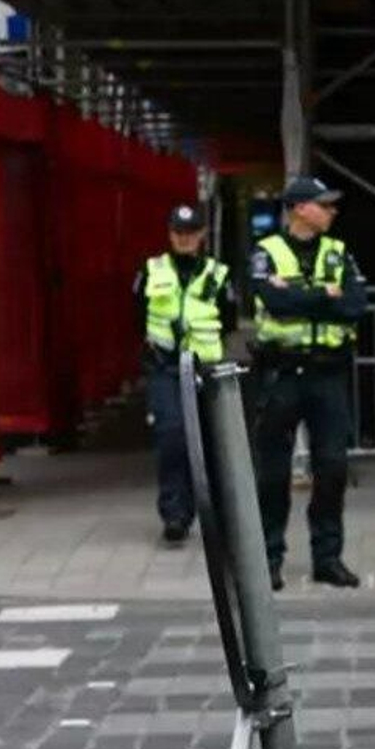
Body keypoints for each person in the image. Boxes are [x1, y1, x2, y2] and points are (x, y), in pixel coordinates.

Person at [247, 177, 367, 590]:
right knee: (272, 474)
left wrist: (301, 295)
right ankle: (269, 558)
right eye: (323, 204)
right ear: (299, 208)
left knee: (332, 467)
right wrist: (325, 296)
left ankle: (327, 558)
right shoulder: (266, 252)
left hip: (327, 375)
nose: (332, 211)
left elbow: (355, 306)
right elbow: (273, 303)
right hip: (280, 375)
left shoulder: (339, 252)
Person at [134, 203, 235, 545]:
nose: (184, 238)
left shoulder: (218, 274)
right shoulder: (151, 270)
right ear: (169, 234)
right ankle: (175, 514)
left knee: (209, 440)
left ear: (203, 234)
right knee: (172, 436)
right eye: (178, 232)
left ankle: (216, 512)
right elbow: (137, 314)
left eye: (191, 232)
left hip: (204, 369)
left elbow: (229, 318)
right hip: (165, 367)